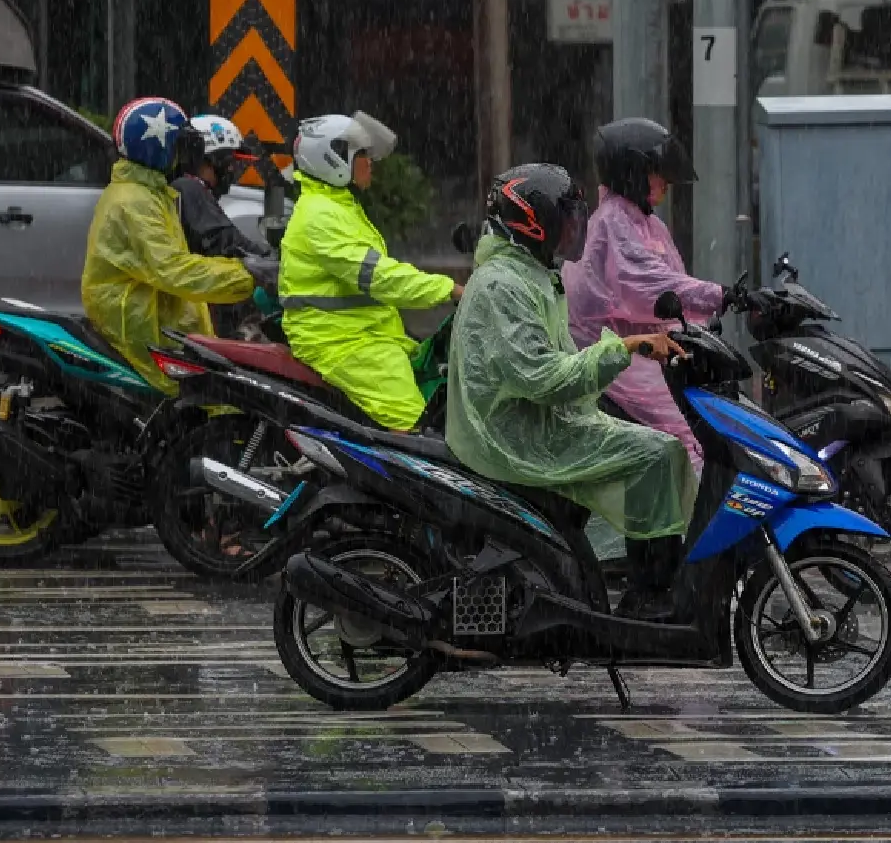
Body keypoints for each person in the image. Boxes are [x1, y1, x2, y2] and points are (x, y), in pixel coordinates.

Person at [446, 164, 696, 619]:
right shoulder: (505, 285)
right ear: (534, 224)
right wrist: (625, 346)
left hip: (532, 419)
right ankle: (652, 595)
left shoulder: (529, 273)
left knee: (638, 437)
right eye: (566, 222)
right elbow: (544, 378)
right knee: (657, 454)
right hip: (516, 437)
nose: (573, 232)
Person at [564, 118, 728, 472]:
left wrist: (708, 318)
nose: (666, 181)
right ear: (633, 171)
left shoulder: (648, 223)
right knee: (691, 435)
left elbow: (672, 284)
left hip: (649, 351)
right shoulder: (611, 224)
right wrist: (721, 296)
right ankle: (694, 523)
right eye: (658, 171)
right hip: (619, 357)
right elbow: (647, 287)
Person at [280, 112, 460, 432]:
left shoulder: (338, 205)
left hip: (367, 336)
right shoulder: (321, 216)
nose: (370, 162)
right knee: (416, 433)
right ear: (333, 159)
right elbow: (380, 277)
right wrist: (449, 290)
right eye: (361, 154)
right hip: (342, 343)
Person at [81, 97, 267, 395]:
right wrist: (250, 275)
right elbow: (173, 269)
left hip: (154, 320)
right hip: (142, 328)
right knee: (209, 400)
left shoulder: (152, 194)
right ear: (162, 147)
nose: (189, 156)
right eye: (183, 145)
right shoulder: (135, 202)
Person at [172, 115, 273, 337]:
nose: (232, 171)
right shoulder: (189, 188)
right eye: (230, 163)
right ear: (213, 160)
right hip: (199, 306)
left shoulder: (187, 188)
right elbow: (224, 241)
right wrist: (269, 260)